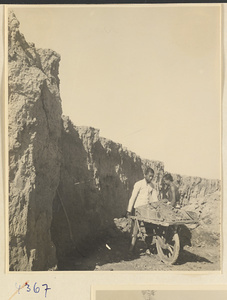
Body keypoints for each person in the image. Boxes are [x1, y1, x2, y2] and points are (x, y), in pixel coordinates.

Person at [126, 167, 159, 254]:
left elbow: (155, 199)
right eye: (150, 176)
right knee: (135, 229)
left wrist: (156, 208)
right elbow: (133, 197)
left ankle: (147, 247)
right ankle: (131, 247)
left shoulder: (152, 186)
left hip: (147, 210)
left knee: (149, 229)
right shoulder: (139, 184)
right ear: (145, 175)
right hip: (138, 209)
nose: (151, 178)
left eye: (152, 176)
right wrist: (129, 210)